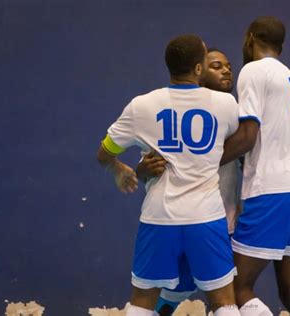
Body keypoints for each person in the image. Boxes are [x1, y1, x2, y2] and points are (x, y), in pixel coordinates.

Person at [96, 34, 240, 316]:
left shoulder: (142, 106)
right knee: (224, 301)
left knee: (142, 301)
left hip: (159, 216)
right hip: (207, 217)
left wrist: (118, 168)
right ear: (199, 68)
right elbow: (248, 137)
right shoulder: (226, 106)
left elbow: (104, 152)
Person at [220, 17, 290, 316]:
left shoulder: (253, 71)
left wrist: (200, 160)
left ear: (249, 38)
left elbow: (248, 136)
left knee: (233, 288)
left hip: (273, 187)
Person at [135, 47, 242, 315]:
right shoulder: (167, 114)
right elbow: (144, 168)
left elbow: (259, 137)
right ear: (198, 71)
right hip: (188, 218)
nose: (227, 70)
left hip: (223, 221)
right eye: (216, 66)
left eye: (228, 65)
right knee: (176, 291)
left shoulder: (236, 113)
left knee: (230, 295)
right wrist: (141, 169)